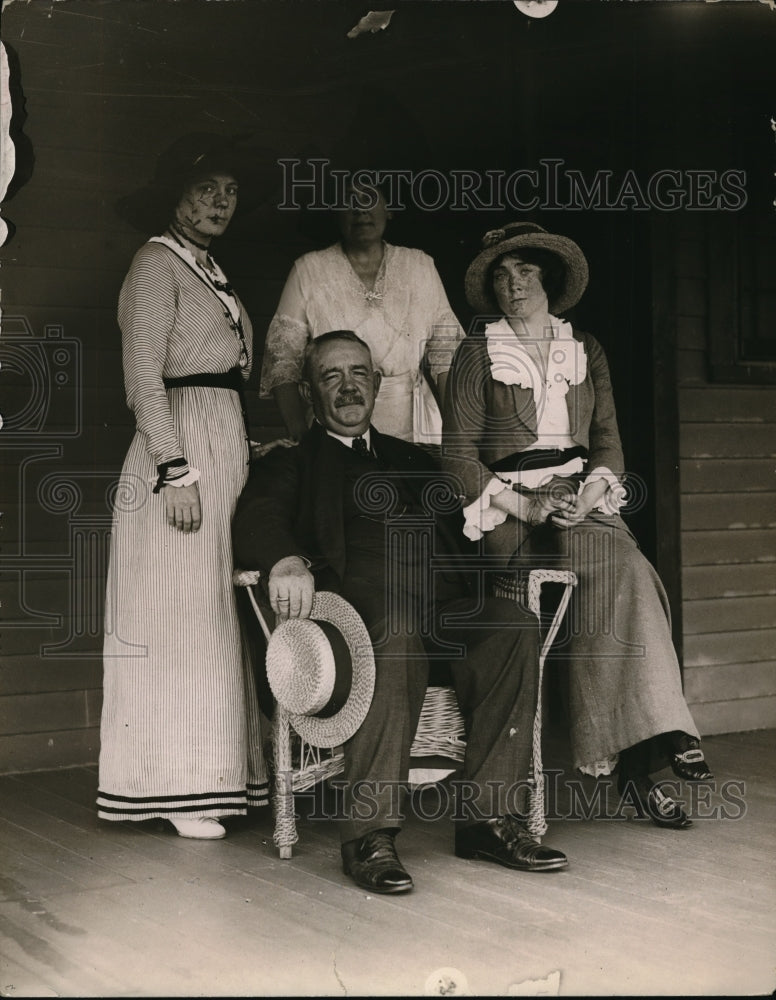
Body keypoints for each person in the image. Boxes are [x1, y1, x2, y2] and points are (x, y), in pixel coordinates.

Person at [233, 329, 569, 893]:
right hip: (359, 617)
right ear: (311, 393)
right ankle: (369, 835)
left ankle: (488, 820)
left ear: (377, 382)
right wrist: (286, 558)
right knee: (395, 627)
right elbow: (257, 515)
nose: (348, 388)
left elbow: (474, 509)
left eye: (359, 374)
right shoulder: (294, 461)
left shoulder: (412, 457)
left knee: (512, 625)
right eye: (331, 377)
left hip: (441, 607)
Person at [442, 221, 714, 829]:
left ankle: (658, 739)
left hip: (577, 496)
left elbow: (610, 444)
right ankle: (647, 753)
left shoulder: (584, 347)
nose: (513, 284)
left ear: (551, 277)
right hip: (507, 506)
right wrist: (527, 506)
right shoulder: (473, 350)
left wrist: (589, 496)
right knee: (604, 576)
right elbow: (456, 456)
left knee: (628, 570)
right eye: (501, 275)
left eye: (525, 271)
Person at [98, 133, 268, 839]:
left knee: (210, 620)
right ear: (174, 196)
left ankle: (214, 781)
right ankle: (170, 788)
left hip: (218, 452)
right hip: (177, 467)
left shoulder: (210, 269)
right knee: (175, 623)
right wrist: (175, 469)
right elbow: (144, 377)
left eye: (229, 191)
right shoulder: (154, 263)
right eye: (206, 189)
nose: (220, 202)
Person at [259, 182, 464, 443]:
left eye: (370, 198)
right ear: (336, 212)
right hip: (334, 427)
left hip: (414, 427)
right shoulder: (309, 269)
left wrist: (456, 436)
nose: (360, 209)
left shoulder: (420, 266)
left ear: (389, 209)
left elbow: (446, 358)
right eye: (349, 200)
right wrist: (299, 433)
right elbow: (282, 360)